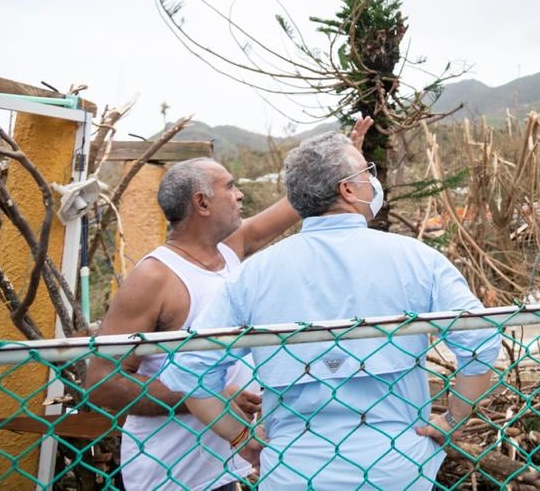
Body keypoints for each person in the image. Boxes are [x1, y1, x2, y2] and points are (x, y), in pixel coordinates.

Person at [160, 132, 501, 490]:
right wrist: (454, 418)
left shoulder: (254, 275)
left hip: (294, 471)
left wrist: (240, 437)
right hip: (397, 468)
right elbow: (479, 339)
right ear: (348, 190)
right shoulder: (417, 259)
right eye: (366, 171)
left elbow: (188, 369)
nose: (373, 179)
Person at [86, 118, 371, 491]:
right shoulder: (156, 277)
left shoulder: (229, 250)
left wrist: (344, 169)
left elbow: (302, 202)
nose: (239, 195)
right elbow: (102, 381)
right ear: (202, 203)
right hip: (168, 477)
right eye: (230, 187)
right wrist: (204, 395)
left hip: (225, 468)